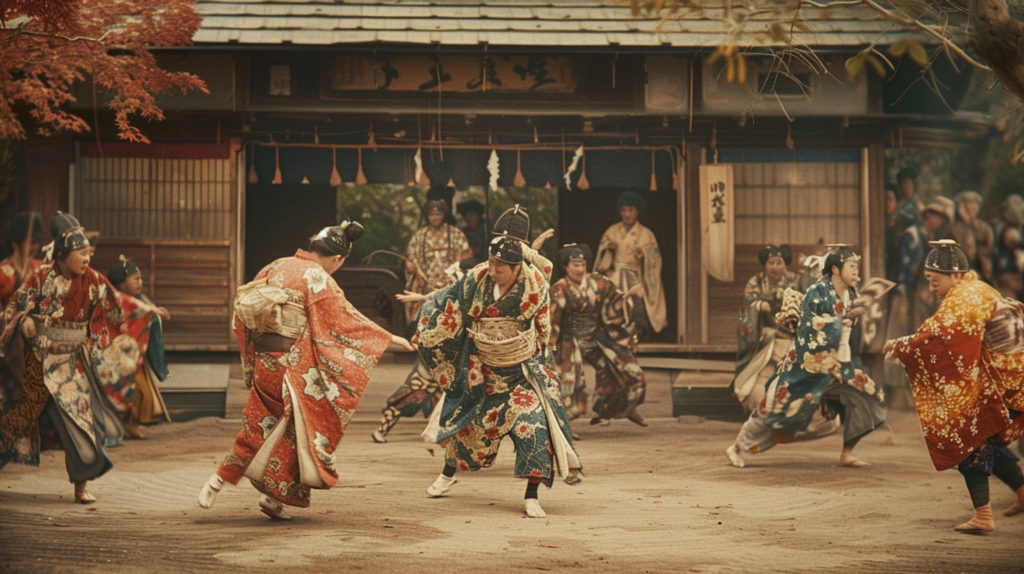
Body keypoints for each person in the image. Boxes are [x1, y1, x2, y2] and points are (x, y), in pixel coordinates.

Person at [198, 222, 415, 520]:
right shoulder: (318, 277)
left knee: (263, 425)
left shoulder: (274, 265)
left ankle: (246, 490)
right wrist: (389, 338)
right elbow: (346, 321)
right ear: (338, 259)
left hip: (265, 360)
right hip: (291, 364)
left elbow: (243, 312)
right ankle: (239, 484)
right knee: (303, 427)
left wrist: (250, 360)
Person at [409, 205, 581, 518]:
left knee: (535, 429)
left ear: (519, 263)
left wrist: (528, 348)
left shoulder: (536, 282)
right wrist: (427, 315)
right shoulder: (476, 278)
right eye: (492, 261)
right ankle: (447, 474)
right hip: (483, 373)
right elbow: (450, 300)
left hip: (521, 375)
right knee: (469, 431)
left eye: (503, 264)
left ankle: (531, 495)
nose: (496, 268)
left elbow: (543, 330)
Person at [0, 212, 155, 503]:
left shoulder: (93, 279)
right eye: (81, 253)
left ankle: (81, 487)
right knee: (15, 418)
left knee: (82, 424)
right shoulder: (39, 276)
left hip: (71, 363)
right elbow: (16, 304)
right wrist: (23, 320)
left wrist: (147, 312)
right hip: (37, 360)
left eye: (88, 253)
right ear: (61, 255)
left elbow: (117, 302)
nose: (86, 258)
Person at [885, 241, 1024, 533]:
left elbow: (941, 339)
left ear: (957, 275)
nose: (931, 285)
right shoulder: (979, 289)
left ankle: (983, 516)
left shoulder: (965, 298)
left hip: (1007, 384)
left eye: (935, 278)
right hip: (1013, 381)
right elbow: (939, 331)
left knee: (969, 437)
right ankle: (1023, 492)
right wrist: (904, 344)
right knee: (989, 438)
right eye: (928, 279)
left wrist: (901, 345)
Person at [726, 246, 887, 469]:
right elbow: (809, 326)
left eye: (856, 267)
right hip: (806, 362)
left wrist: (855, 317)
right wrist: (843, 318)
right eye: (852, 267)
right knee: (773, 405)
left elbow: (849, 326)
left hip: (838, 362)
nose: (856, 272)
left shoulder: (851, 292)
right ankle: (737, 447)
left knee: (868, 397)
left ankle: (847, 453)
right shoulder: (817, 291)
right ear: (835, 269)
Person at [549, 243, 647, 425]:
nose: (579, 269)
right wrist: (550, 349)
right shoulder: (559, 288)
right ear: (565, 267)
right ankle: (562, 425)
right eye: (575, 265)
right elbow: (552, 321)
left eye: (582, 265)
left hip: (596, 337)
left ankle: (624, 408)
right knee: (571, 385)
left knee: (627, 369)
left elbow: (616, 301)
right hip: (569, 341)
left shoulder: (597, 282)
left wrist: (629, 295)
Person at [108, 256, 172, 439]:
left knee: (142, 394)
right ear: (121, 283)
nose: (140, 282)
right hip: (114, 355)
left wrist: (153, 314)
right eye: (135, 278)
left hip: (134, 355)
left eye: (140, 278)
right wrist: (150, 311)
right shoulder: (114, 300)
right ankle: (116, 428)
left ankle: (129, 426)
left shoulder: (140, 300)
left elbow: (142, 310)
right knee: (121, 393)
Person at [732, 245, 800, 414]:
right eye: (771, 263)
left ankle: (790, 412)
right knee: (758, 380)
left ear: (785, 265)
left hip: (792, 338)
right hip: (766, 340)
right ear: (765, 264)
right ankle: (758, 410)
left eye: (778, 263)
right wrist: (757, 306)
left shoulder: (796, 280)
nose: (774, 267)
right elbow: (747, 304)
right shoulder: (756, 282)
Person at [594, 191, 666, 340]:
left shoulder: (646, 234)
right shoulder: (612, 231)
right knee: (611, 305)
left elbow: (655, 260)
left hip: (635, 275)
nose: (627, 214)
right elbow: (601, 257)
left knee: (636, 306)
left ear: (638, 211)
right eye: (624, 210)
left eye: (631, 210)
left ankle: (636, 336)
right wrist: (608, 250)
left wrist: (644, 255)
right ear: (620, 211)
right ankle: (613, 334)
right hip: (614, 274)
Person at [404, 199, 472, 326]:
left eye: (438, 214)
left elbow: (464, 259)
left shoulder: (456, 234)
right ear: (427, 216)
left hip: (449, 284)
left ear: (444, 215)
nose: (435, 218)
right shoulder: (420, 235)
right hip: (424, 285)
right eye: (432, 214)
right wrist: (412, 267)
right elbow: (410, 259)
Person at [0, 212, 44, 307]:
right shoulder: (2, 274)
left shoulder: (40, 267)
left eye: (36, 241)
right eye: (30, 242)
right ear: (14, 243)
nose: (34, 247)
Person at [950, 191, 995, 283]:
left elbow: (989, 250)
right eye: (969, 203)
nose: (973, 206)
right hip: (959, 275)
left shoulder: (983, 227)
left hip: (980, 274)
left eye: (976, 203)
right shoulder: (953, 228)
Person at [993, 226, 1024, 300]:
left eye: (1014, 238)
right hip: (1004, 283)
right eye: (1009, 237)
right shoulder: (998, 253)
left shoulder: (1019, 252)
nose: (1012, 240)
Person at [457, 199, 488, 265]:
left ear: (478, 217)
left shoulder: (486, 231)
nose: (470, 218)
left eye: (473, 215)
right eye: (468, 216)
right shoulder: (463, 233)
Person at [895, 167, 921, 233]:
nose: (907, 186)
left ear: (914, 185)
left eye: (909, 183)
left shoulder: (917, 205)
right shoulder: (897, 203)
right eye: (904, 183)